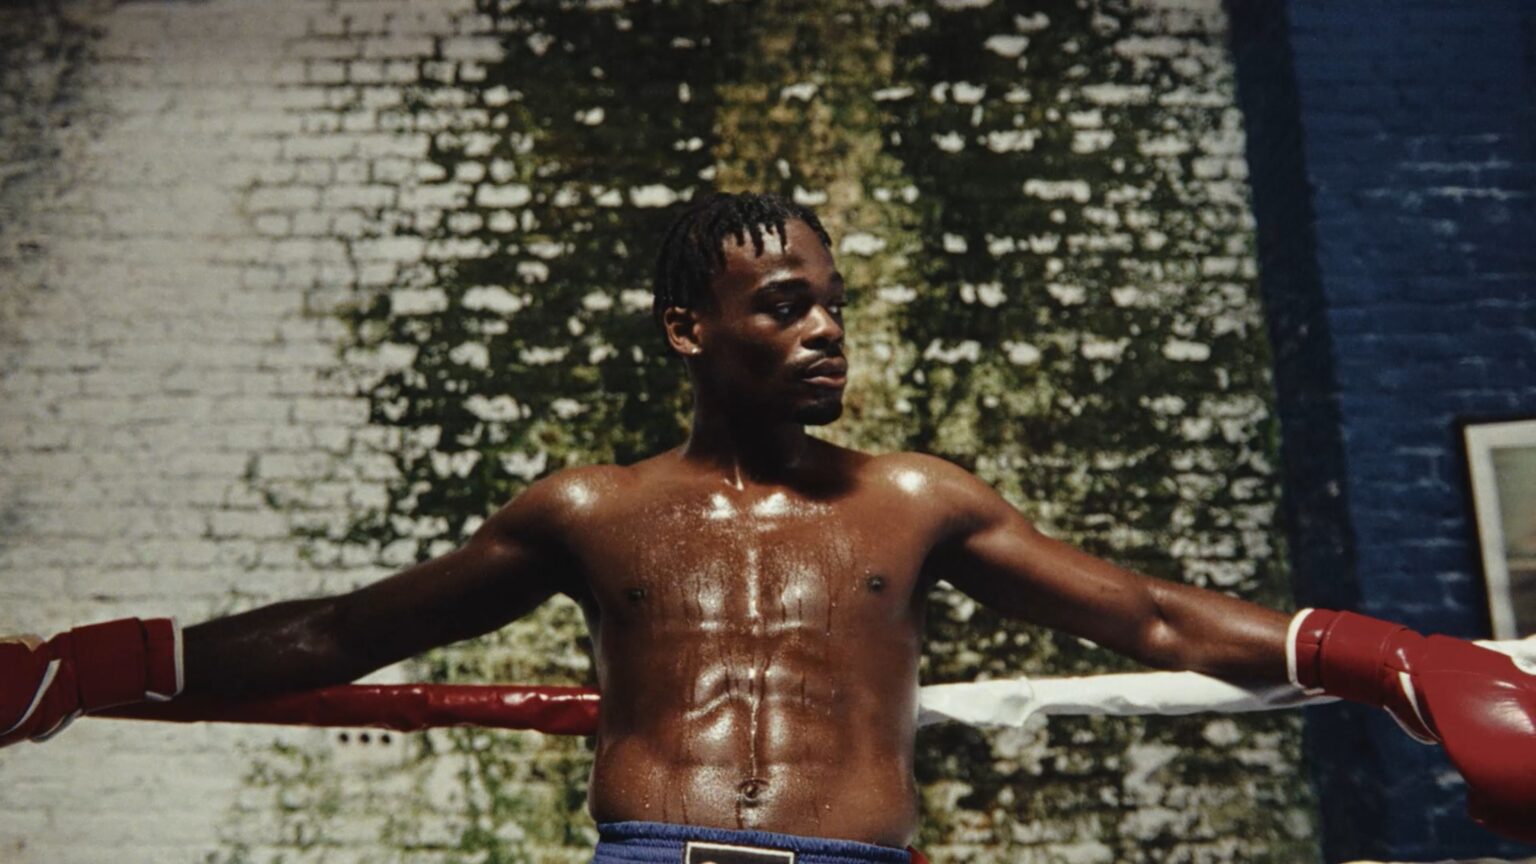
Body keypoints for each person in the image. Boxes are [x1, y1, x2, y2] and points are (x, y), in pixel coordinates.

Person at [3, 193, 1533, 860]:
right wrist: (94, 664)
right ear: (691, 329)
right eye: (784, 305)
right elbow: (343, 632)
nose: (824, 332)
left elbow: (1144, 615)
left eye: (833, 306)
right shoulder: (590, 511)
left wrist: (1390, 657)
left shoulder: (915, 500)